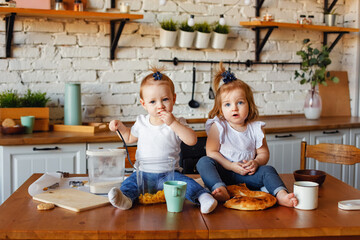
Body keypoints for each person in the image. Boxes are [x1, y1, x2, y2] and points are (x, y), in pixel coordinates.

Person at [108, 67, 218, 214]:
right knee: (129, 183)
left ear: (174, 99)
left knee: (187, 184)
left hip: (169, 175)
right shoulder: (141, 122)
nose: (160, 105)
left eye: (165, 99)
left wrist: (173, 123)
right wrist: (120, 128)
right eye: (153, 101)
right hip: (143, 174)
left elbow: (192, 140)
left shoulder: (177, 122)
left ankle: (203, 197)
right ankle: (126, 199)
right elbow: (128, 138)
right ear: (143, 104)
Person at [196, 63, 298, 207]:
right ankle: (219, 188)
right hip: (223, 172)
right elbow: (211, 152)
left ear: (249, 104)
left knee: (268, 170)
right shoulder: (218, 126)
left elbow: (263, 154)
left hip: (247, 175)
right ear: (220, 109)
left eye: (240, 102)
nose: (234, 108)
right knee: (204, 162)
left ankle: (281, 194)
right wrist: (231, 166)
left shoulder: (256, 128)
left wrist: (256, 162)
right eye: (227, 104)